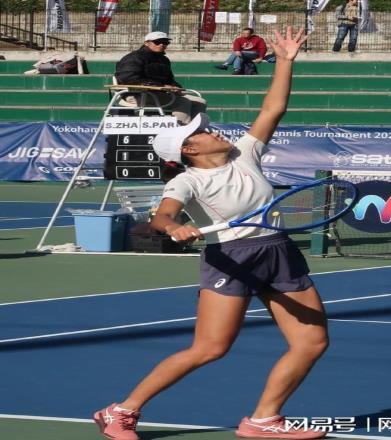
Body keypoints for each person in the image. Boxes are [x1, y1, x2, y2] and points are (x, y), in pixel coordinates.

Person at [94, 26, 328, 440]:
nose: (212, 130)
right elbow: (162, 217)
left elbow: (273, 108)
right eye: (201, 132)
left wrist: (285, 61)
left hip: (278, 251)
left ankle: (263, 420)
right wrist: (175, 228)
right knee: (210, 349)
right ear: (189, 150)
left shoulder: (245, 154)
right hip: (231, 258)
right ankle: (121, 411)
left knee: (312, 341)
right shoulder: (187, 182)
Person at [115, 31, 207, 124]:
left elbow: (169, 80)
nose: (162, 45)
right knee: (182, 102)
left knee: (200, 101)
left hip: (158, 93)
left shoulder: (163, 60)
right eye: (157, 42)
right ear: (146, 43)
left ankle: (197, 129)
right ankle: (181, 129)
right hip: (136, 94)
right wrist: (161, 86)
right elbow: (128, 78)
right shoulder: (134, 58)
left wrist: (176, 87)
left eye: (165, 42)